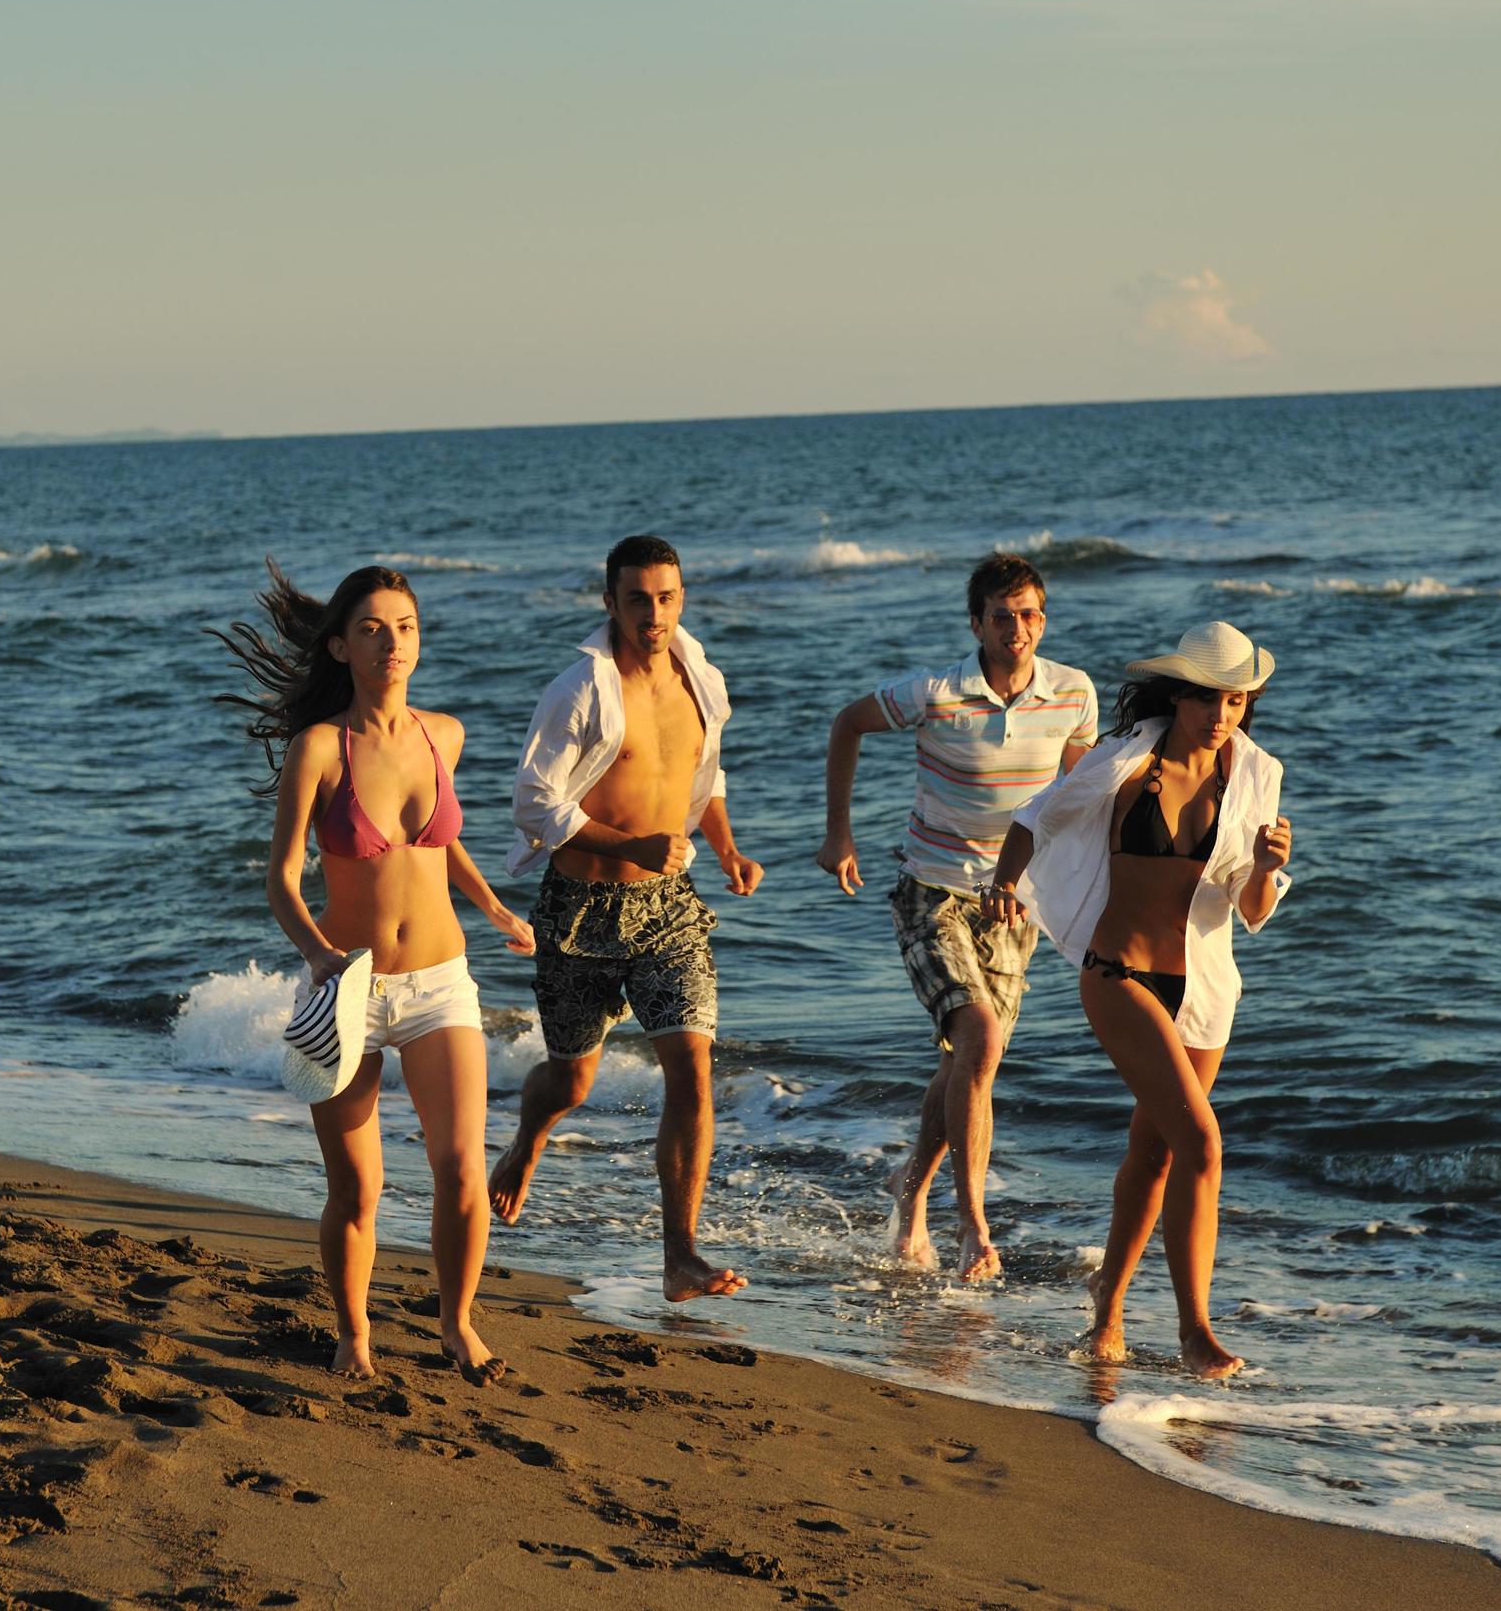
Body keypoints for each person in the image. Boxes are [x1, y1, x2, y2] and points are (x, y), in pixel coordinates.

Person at [215, 563, 534, 1383]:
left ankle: (457, 1325)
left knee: (462, 1167)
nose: (394, 643)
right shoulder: (320, 747)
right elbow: (282, 878)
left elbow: (440, 839)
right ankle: (353, 1334)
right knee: (358, 1189)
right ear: (340, 646)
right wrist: (317, 952)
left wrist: (494, 910)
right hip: (345, 988)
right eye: (373, 628)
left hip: (439, 983)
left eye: (406, 627)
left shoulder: (445, 734)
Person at [985, 621, 1293, 1378]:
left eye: (1236, 700)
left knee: (1154, 1152)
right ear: (1178, 696)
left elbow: (1250, 909)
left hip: (1205, 991)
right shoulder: (1126, 760)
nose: (1222, 715)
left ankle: (1108, 1305)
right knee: (1203, 1144)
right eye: (1208, 700)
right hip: (1118, 972)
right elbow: (1035, 818)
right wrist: (1003, 884)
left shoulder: (1257, 774)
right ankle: (1196, 1332)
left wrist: (1264, 867)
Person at [492, 535, 761, 1302]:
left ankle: (680, 1256)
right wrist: (633, 843)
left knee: (693, 1070)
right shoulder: (581, 688)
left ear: (683, 599)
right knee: (570, 1082)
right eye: (638, 599)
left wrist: (729, 849)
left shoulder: (700, 679)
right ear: (609, 602)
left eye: (667, 597)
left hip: (668, 909)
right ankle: (527, 1139)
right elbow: (533, 803)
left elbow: (701, 776)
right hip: (580, 910)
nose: (654, 613)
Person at [816, 551, 1097, 1282]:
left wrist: (1073, 882)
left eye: (1030, 614)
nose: (1018, 629)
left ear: (1045, 620)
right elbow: (847, 723)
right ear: (976, 623)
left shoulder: (1074, 693)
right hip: (929, 890)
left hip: (1014, 903)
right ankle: (974, 1225)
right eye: (1002, 616)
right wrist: (838, 833)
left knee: (968, 1059)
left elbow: (1077, 800)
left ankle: (909, 1193)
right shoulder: (936, 694)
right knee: (978, 1036)